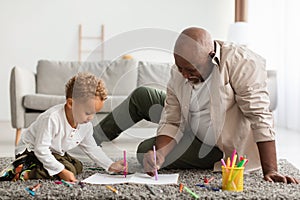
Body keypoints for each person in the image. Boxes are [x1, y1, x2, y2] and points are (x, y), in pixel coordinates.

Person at [93, 27, 299, 184]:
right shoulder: (180, 71)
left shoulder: (241, 62)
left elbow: (259, 115)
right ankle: (85, 138)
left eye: (190, 70)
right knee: (142, 96)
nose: (183, 75)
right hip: (189, 120)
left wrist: (270, 169)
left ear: (210, 56)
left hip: (216, 144)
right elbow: (173, 119)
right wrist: (162, 154)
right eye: (179, 68)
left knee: (145, 150)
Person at [0, 72, 126, 182]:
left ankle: (49, 167)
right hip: (30, 152)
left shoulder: (85, 125)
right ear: (71, 103)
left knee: (77, 166)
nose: (91, 118)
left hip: (54, 151)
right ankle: (22, 172)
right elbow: (40, 149)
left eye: (95, 113)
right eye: (88, 113)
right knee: (67, 169)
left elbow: (92, 148)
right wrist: (60, 171)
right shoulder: (51, 118)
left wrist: (110, 165)